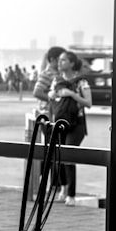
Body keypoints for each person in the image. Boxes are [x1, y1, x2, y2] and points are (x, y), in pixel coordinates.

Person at [50, 50, 92, 206]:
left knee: (69, 155)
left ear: (72, 63)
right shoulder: (57, 80)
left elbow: (88, 103)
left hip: (77, 124)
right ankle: (63, 188)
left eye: (63, 60)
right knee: (58, 156)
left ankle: (71, 194)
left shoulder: (82, 82)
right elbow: (51, 95)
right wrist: (53, 95)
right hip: (60, 122)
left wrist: (71, 94)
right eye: (59, 60)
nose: (60, 63)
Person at [33, 46, 66, 115]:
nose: (63, 62)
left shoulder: (59, 73)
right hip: (48, 112)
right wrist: (55, 101)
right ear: (52, 59)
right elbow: (37, 93)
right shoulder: (47, 74)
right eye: (61, 60)